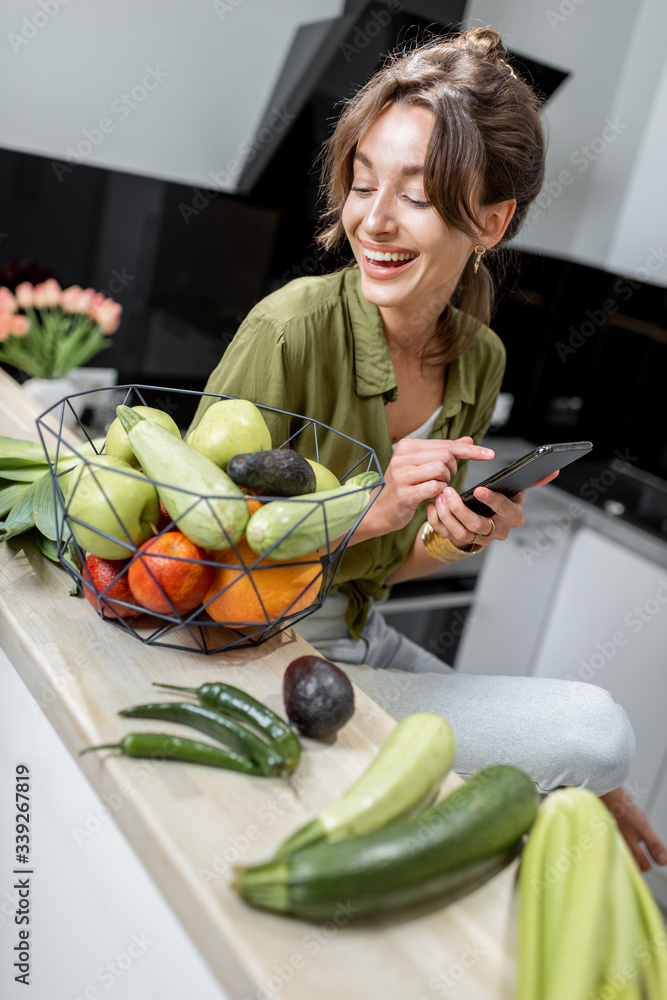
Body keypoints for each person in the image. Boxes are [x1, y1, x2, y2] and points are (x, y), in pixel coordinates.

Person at [192, 27, 666, 870]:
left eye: (412, 195)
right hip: (267, 651)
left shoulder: (477, 358)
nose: (371, 219)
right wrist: (369, 505)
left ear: (490, 221)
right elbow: (188, 543)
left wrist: (449, 534)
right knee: (595, 733)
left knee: (584, 758)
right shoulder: (291, 326)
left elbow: (382, 568)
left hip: (358, 639)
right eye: (362, 183)